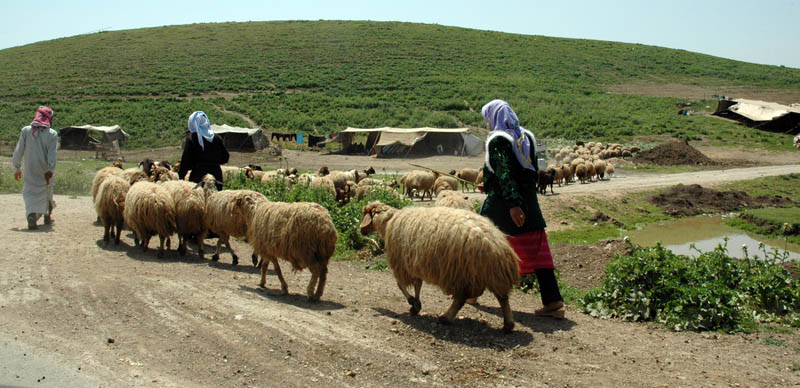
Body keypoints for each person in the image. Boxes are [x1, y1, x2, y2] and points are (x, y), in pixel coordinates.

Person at [477, 99, 564, 318]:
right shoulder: (526, 137)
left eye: (488, 118)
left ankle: (469, 292)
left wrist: (513, 205)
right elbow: (528, 172)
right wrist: (489, 184)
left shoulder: (498, 139)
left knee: (481, 247)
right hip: (530, 203)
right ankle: (553, 301)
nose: (487, 123)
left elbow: (505, 172)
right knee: (538, 251)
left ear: (494, 117)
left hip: (502, 206)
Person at [12, 106, 59, 230]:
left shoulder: (26, 131)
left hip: (30, 169)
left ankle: (32, 215)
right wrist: (50, 169)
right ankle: (47, 214)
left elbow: (18, 150)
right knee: (47, 191)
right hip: (45, 171)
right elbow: (52, 154)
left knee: (30, 192)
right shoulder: (52, 134)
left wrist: (17, 168)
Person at [178, 111, 229, 191]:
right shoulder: (217, 138)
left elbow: (186, 160)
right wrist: (214, 162)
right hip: (216, 176)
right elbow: (225, 157)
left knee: (199, 201)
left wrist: (181, 176)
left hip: (198, 176)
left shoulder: (192, 139)